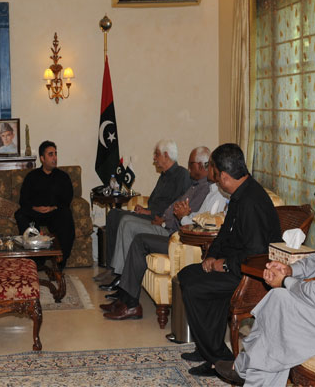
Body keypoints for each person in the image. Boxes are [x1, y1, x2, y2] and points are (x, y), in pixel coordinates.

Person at [215, 166, 315, 387]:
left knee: (279, 320)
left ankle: (244, 367)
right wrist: (290, 270)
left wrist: (286, 282)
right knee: (278, 305)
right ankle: (245, 368)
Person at [177, 143, 282, 377]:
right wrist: (212, 255)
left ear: (224, 176)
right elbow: (225, 234)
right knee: (187, 275)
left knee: (195, 288)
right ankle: (210, 349)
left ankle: (218, 359)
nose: (214, 178)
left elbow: (257, 254)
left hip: (250, 276)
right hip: (234, 265)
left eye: (214, 172)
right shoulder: (239, 194)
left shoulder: (252, 201)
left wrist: (222, 265)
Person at [102, 148, 223, 320]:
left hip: (179, 239)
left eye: (210, 166)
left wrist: (178, 217)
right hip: (173, 230)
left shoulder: (213, 193)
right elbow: (191, 214)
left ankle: (130, 303)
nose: (190, 169)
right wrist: (176, 216)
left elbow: (197, 225)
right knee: (126, 225)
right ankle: (124, 299)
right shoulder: (206, 189)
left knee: (138, 238)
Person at [96, 139, 191, 289]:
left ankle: (119, 273)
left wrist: (151, 212)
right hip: (150, 213)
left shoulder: (182, 175)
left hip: (159, 219)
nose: (154, 158)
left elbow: (176, 205)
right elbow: (155, 200)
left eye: (157, 154)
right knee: (113, 214)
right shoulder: (163, 176)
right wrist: (145, 209)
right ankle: (111, 267)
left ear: (166, 155)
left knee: (123, 219)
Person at [14, 141, 74, 269]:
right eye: (50, 154)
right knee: (20, 214)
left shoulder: (63, 177)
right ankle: (37, 260)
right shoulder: (32, 176)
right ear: (42, 158)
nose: (54, 158)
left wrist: (54, 207)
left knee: (66, 214)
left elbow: (67, 198)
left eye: (55, 154)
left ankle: (60, 261)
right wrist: (35, 208)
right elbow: (23, 200)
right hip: (35, 213)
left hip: (54, 212)